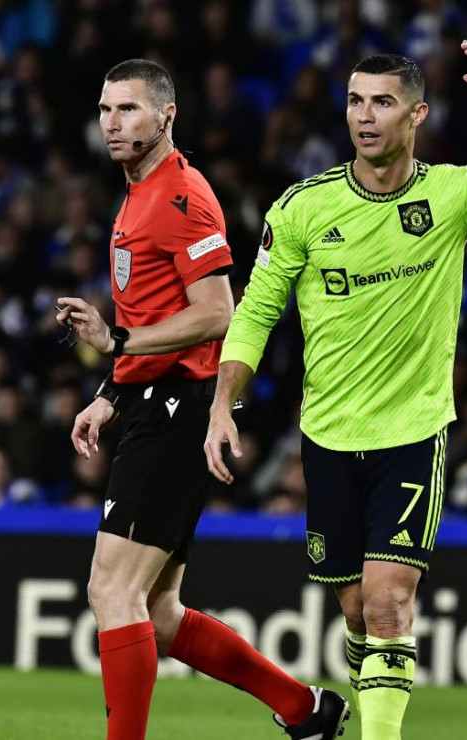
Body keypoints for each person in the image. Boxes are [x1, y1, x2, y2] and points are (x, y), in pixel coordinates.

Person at [206, 45, 467, 740]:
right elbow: (258, 310)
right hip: (327, 438)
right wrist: (222, 403)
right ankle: (354, 704)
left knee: (388, 605)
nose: (364, 115)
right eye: (355, 100)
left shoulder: (452, 193)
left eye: (382, 102)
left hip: (413, 435)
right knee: (355, 611)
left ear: (418, 113)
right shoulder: (303, 207)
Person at [53, 60, 346, 740]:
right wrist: (109, 393)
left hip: (180, 406)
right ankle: (306, 710)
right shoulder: (138, 195)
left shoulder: (182, 196)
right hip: (151, 400)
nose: (112, 123)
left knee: (111, 590)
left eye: (128, 110)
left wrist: (118, 341)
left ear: (166, 116)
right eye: (104, 110)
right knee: (156, 614)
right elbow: (151, 317)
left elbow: (217, 311)